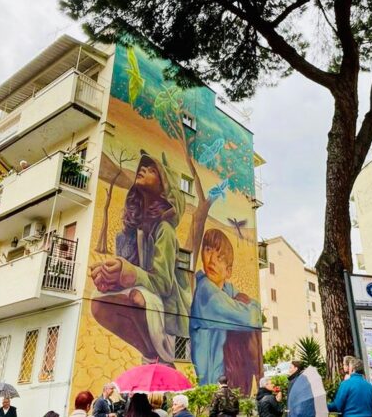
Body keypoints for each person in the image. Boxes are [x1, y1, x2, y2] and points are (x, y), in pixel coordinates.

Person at [90, 151, 190, 365]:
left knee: (137, 297)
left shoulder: (165, 231)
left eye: (152, 169)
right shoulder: (130, 232)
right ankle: (150, 355)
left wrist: (129, 273)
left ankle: (159, 356)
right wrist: (109, 277)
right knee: (98, 301)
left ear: (165, 189)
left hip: (168, 312)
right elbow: (125, 272)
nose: (142, 170)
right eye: (141, 168)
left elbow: (163, 284)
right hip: (145, 302)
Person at [190, 229, 261, 386]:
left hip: (222, 376)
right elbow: (251, 318)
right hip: (209, 381)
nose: (212, 260)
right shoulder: (205, 290)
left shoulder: (226, 290)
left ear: (228, 271)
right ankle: (259, 377)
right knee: (250, 329)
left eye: (220, 257)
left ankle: (257, 379)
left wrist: (250, 306)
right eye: (208, 250)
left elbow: (254, 305)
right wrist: (253, 310)